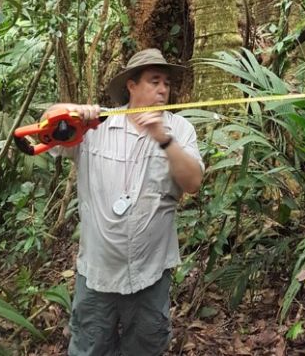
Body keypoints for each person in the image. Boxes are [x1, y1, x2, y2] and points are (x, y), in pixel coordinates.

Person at [48, 48, 204, 356]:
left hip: (150, 274)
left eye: (167, 84)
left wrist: (163, 139)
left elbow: (193, 182)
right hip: (97, 275)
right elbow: (47, 127)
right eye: (154, 81)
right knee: (88, 350)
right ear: (131, 86)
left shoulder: (180, 129)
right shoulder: (96, 127)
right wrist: (74, 110)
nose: (163, 90)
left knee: (145, 349)